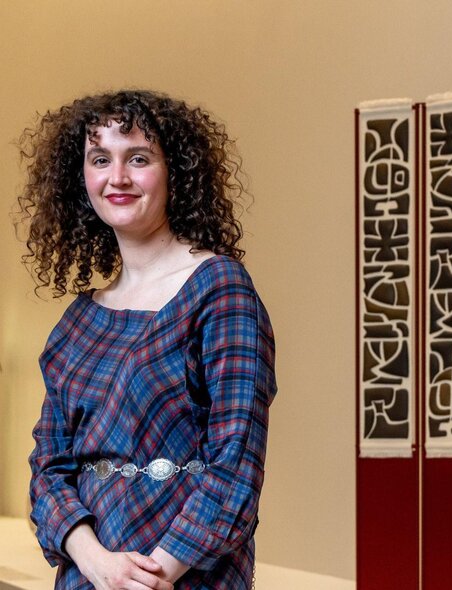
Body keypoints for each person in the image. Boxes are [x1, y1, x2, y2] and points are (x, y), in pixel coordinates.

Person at [18, 90, 277, 589]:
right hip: (88, 577)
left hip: (186, 578)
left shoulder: (219, 289)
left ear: (175, 172)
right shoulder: (77, 322)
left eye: (138, 158)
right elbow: (48, 470)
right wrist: (95, 562)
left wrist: (150, 576)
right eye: (100, 159)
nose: (117, 178)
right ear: (82, 179)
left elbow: (236, 465)